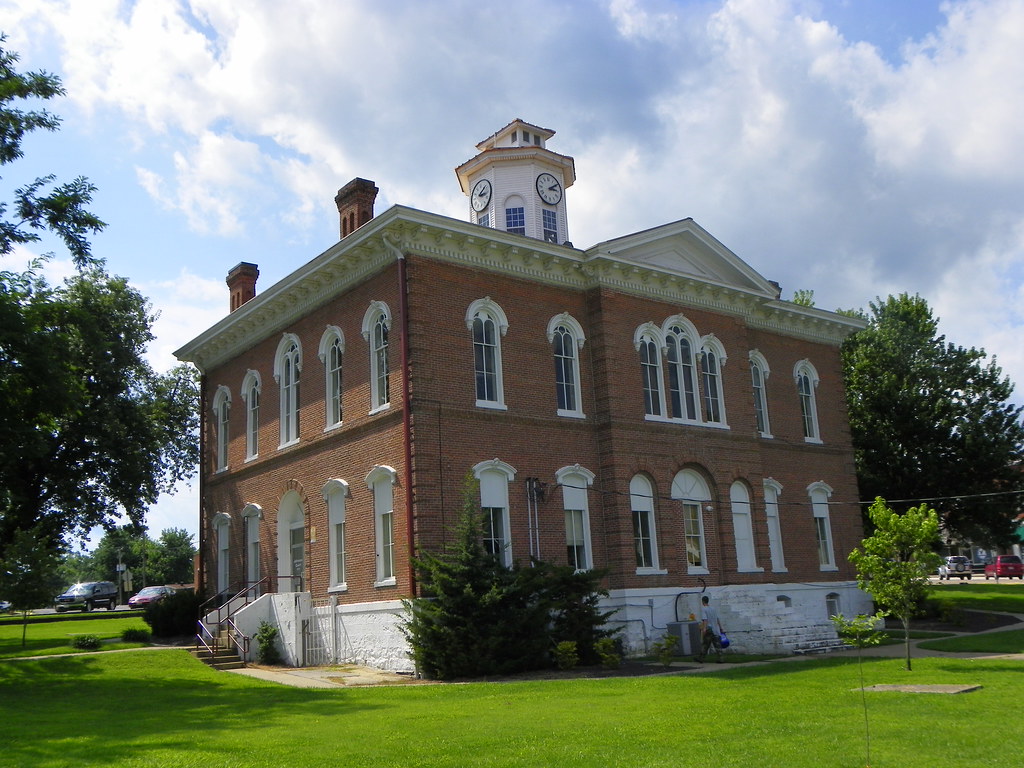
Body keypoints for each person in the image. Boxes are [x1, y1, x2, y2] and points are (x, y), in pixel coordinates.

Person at [695, 594, 724, 663]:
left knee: (705, 644)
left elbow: (705, 620)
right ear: (708, 601)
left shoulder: (704, 609)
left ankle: (701, 658)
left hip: (709, 629)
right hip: (715, 629)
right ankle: (721, 659)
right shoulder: (713, 609)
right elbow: (717, 619)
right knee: (717, 644)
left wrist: (704, 629)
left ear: (703, 602)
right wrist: (721, 628)